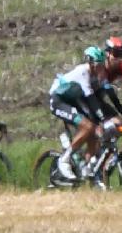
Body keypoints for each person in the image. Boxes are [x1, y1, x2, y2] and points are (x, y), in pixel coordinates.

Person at [47, 46, 109, 181]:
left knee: (93, 130)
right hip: (58, 100)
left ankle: (85, 168)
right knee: (87, 126)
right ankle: (65, 159)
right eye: (98, 65)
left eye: (102, 65)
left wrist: (100, 122)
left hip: (72, 101)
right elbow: (92, 101)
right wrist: (104, 119)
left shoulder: (95, 76)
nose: (101, 68)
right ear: (91, 64)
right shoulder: (83, 72)